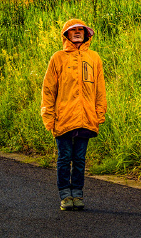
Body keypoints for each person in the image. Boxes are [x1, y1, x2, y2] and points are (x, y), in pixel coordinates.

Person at [41, 18, 107, 211]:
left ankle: (77, 194)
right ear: (66, 35)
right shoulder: (58, 58)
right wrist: (48, 116)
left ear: (86, 34)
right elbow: (48, 90)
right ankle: (65, 195)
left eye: (80, 30)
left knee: (79, 158)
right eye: (73, 30)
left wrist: (99, 112)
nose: (77, 32)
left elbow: (100, 89)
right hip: (63, 118)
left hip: (86, 117)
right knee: (64, 157)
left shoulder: (94, 58)